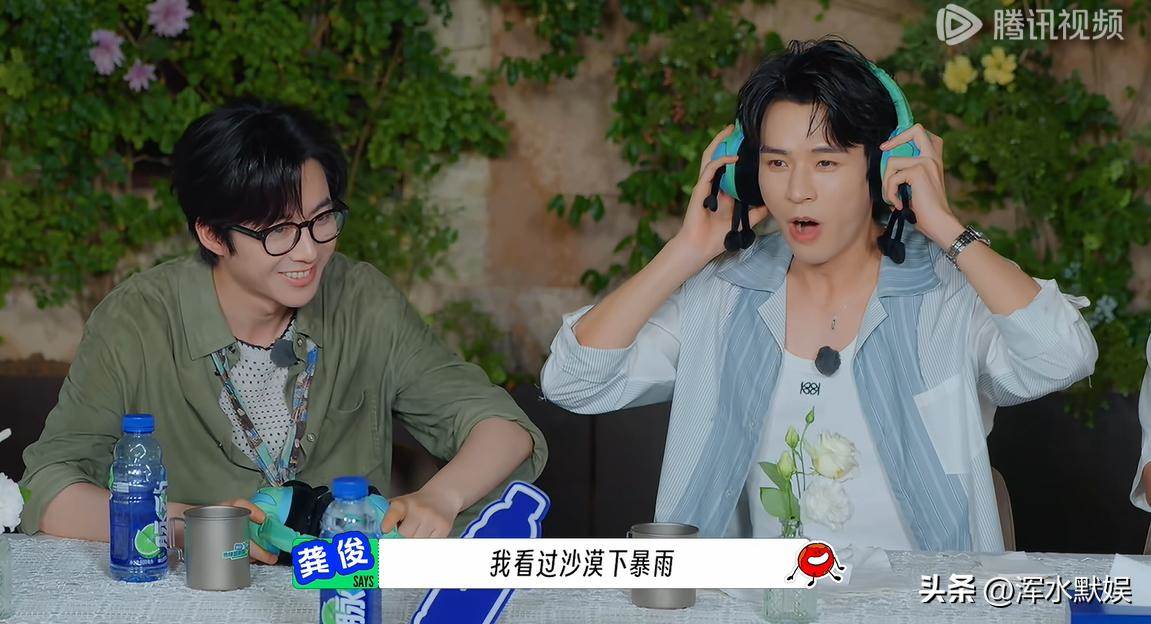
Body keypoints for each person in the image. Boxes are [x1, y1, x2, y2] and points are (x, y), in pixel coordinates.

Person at [540, 38, 1096, 552]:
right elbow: (574, 381)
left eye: (826, 162)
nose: (797, 189)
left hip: (923, 603)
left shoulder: (945, 296)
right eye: (776, 163)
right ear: (748, 175)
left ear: (881, 169)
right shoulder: (723, 295)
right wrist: (687, 250)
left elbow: (1060, 357)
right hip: (758, 604)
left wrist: (947, 228)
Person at [20, 100, 547, 561]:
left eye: (322, 219)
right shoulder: (137, 319)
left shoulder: (360, 299)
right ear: (213, 235)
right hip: (196, 594)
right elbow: (48, 489)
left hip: (343, 594)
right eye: (278, 230)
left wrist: (441, 497)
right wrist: (194, 528)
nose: (309, 250)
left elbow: (503, 428)